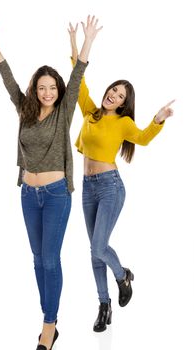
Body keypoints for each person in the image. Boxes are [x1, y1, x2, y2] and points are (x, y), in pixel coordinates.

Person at [0, 14, 102, 350]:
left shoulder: (64, 111)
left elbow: (78, 75)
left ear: (58, 91)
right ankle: (48, 314)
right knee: (37, 259)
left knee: (50, 259)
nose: (48, 92)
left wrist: (88, 40)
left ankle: (49, 324)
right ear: (35, 90)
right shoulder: (24, 108)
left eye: (53, 87)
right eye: (43, 87)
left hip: (55, 195)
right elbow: (6, 77)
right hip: (28, 193)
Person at [68, 23, 174, 332]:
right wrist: (78, 44)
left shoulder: (124, 122)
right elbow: (80, 83)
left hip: (111, 188)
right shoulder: (91, 113)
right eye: (113, 90)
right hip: (88, 188)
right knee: (93, 250)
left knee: (99, 247)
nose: (113, 95)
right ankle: (104, 306)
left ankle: (122, 274)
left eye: (120, 95)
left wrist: (157, 120)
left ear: (125, 103)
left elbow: (141, 138)